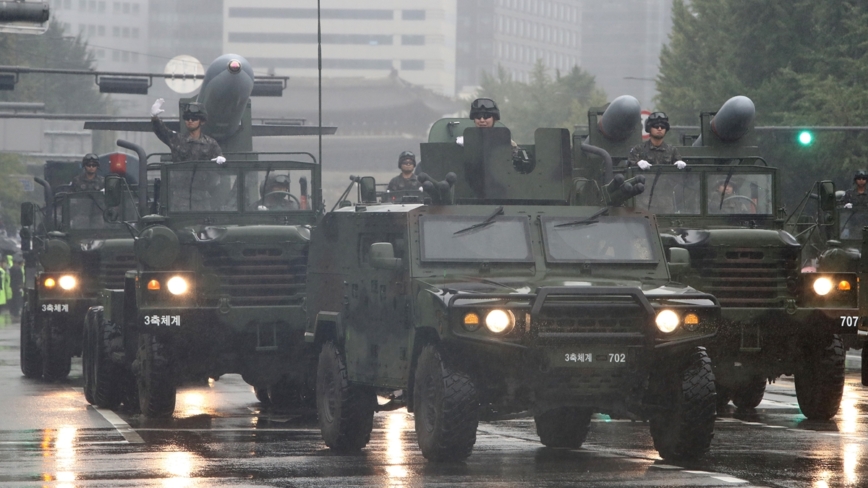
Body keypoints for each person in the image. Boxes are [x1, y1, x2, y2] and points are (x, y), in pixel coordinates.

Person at [151, 98, 225, 164]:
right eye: (187, 118)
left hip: (203, 179)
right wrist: (154, 118)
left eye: (194, 118)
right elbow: (162, 131)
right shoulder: (177, 140)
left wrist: (221, 161)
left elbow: (221, 164)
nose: (190, 121)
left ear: (202, 121)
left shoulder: (211, 144)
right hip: (179, 179)